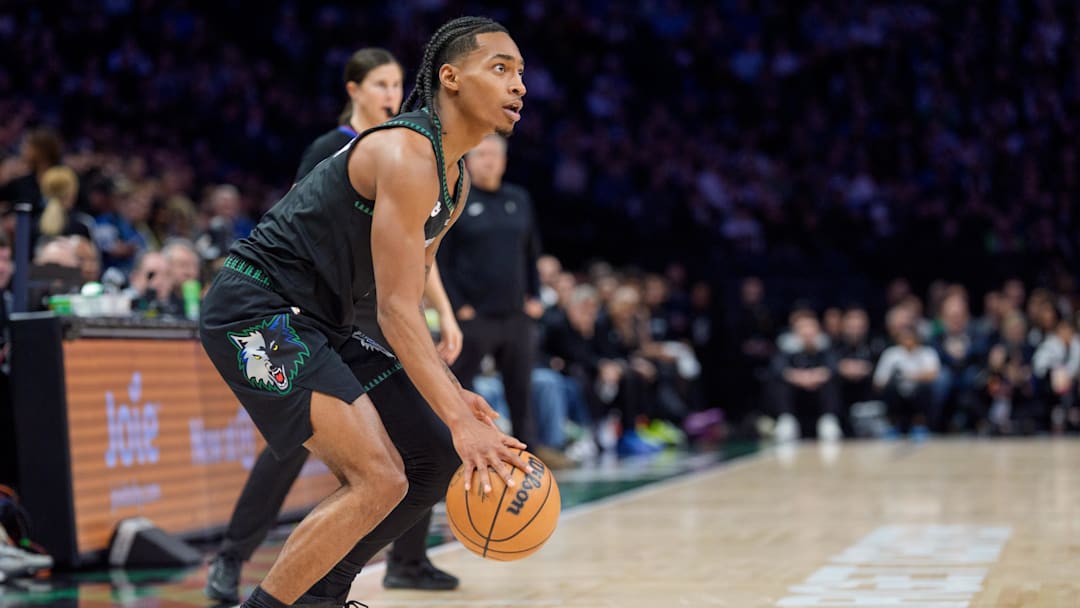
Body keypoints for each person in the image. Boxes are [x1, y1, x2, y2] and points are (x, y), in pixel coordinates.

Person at [198, 17, 529, 608]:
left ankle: (323, 597)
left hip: (322, 320)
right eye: (500, 68)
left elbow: (404, 293)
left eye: (521, 73)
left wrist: (451, 397)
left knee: (429, 458)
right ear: (449, 78)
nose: (519, 86)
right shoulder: (405, 152)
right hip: (257, 308)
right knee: (378, 475)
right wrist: (460, 415)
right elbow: (399, 311)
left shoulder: (454, 181)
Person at [438, 132, 568, 464]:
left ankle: (530, 463)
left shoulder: (519, 198)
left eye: (495, 154)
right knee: (458, 389)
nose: (489, 160)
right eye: (482, 154)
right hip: (474, 316)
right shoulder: (456, 200)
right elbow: (441, 259)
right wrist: (457, 307)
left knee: (521, 394)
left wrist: (536, 295)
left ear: (505, 161)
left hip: (515, 316)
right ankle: (453, 460)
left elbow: (531, 252)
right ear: (467, 161)